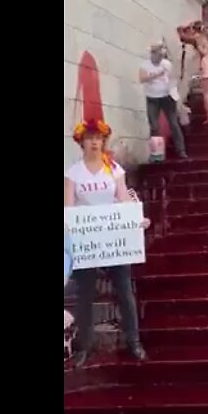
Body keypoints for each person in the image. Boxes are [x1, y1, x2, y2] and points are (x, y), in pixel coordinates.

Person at [65, 118, 151, 364]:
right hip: (87, 242)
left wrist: (137, 219)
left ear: (103, 141)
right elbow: (68, 208)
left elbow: (124, 199)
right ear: (81, 142)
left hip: (114, 241)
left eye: (98, 138)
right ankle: (85, 346)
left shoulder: (113, 169)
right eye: (89, 138)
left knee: (124, 290)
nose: (94, 142)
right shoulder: (72, 173)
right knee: (84, 294)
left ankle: (134, 342)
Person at [139, 43, 187, 159]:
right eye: (158, 55)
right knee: (154, 126)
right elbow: (142, 78)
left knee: (173, 123)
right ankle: (156, 154)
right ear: (153, 54)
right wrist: (156, 74)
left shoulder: (166, 64)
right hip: (152, 98)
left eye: (162, 55)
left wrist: (174, 91)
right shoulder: (145, 65)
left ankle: (181, 150)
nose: (160, 57)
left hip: (167, 97)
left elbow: (174, 78)